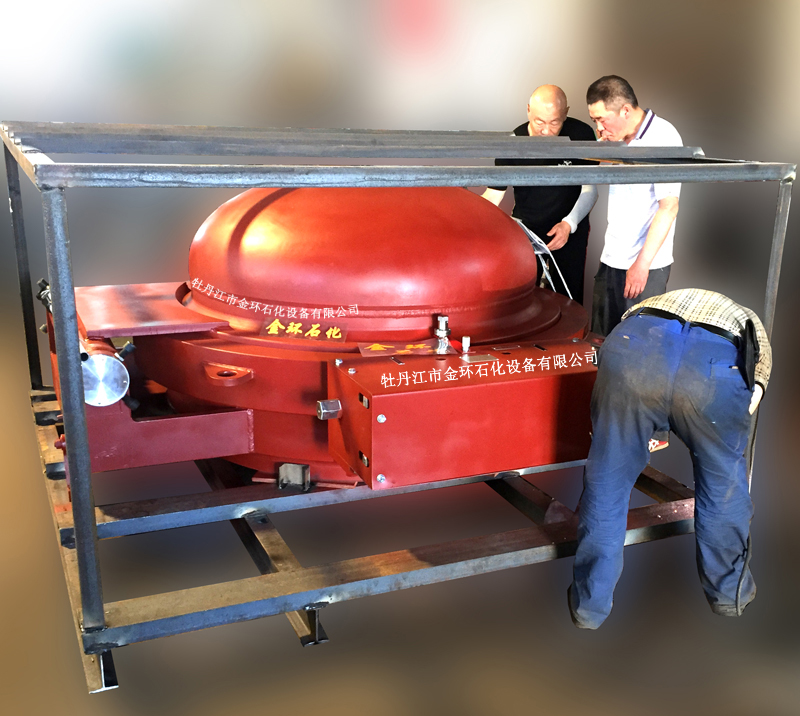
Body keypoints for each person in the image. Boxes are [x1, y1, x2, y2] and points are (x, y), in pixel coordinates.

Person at [568, 289, 771, 629]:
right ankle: (728, 596)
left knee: (608, 483)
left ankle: (589, 607)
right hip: (712, 368)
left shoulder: (647, 306)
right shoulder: (748, 319)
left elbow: (620, 352)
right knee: (722, 489)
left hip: (636, 349)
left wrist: (642, 422)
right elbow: (758, 378)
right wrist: (726, 432)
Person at [482, 84, 597, 304]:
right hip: (527, 230)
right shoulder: (512, 144)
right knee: (520, 299)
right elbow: (494, 196)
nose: (545, 131)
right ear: (528, 111)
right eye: (539, 122)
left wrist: (569, 224)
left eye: (554, 123)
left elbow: (590, 190)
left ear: (565, 113)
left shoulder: (581, 135)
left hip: (570, 227)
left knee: (568, 299)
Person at [586, 75, 682, 336]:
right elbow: (601, 175)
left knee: (636, 344)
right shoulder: (617, 137)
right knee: (600, 340)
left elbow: (669, 207)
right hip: (612, 256)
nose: (599, 128)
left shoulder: (662, 137)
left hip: (644, 265)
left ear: (625, 110)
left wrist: (642, 265)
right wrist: (606, 150)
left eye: (602, 119)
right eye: (594, 120)